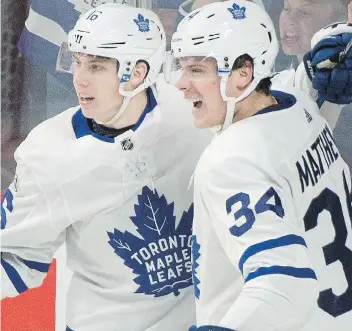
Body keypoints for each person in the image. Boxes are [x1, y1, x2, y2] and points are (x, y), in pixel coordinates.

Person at [1, 3, 211, 331]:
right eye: (77, 62)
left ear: (138, 73)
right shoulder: (50, 154)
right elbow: (12, 258)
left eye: (96, 67)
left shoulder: (191, 108)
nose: (79, 80)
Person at [166, 1, 352, 330]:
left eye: (197, 70)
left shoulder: (229, 161)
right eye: (182, 66)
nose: (181, 83)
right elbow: (318, 68)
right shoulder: (294, 101)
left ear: (243, 74)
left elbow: (283, 286)